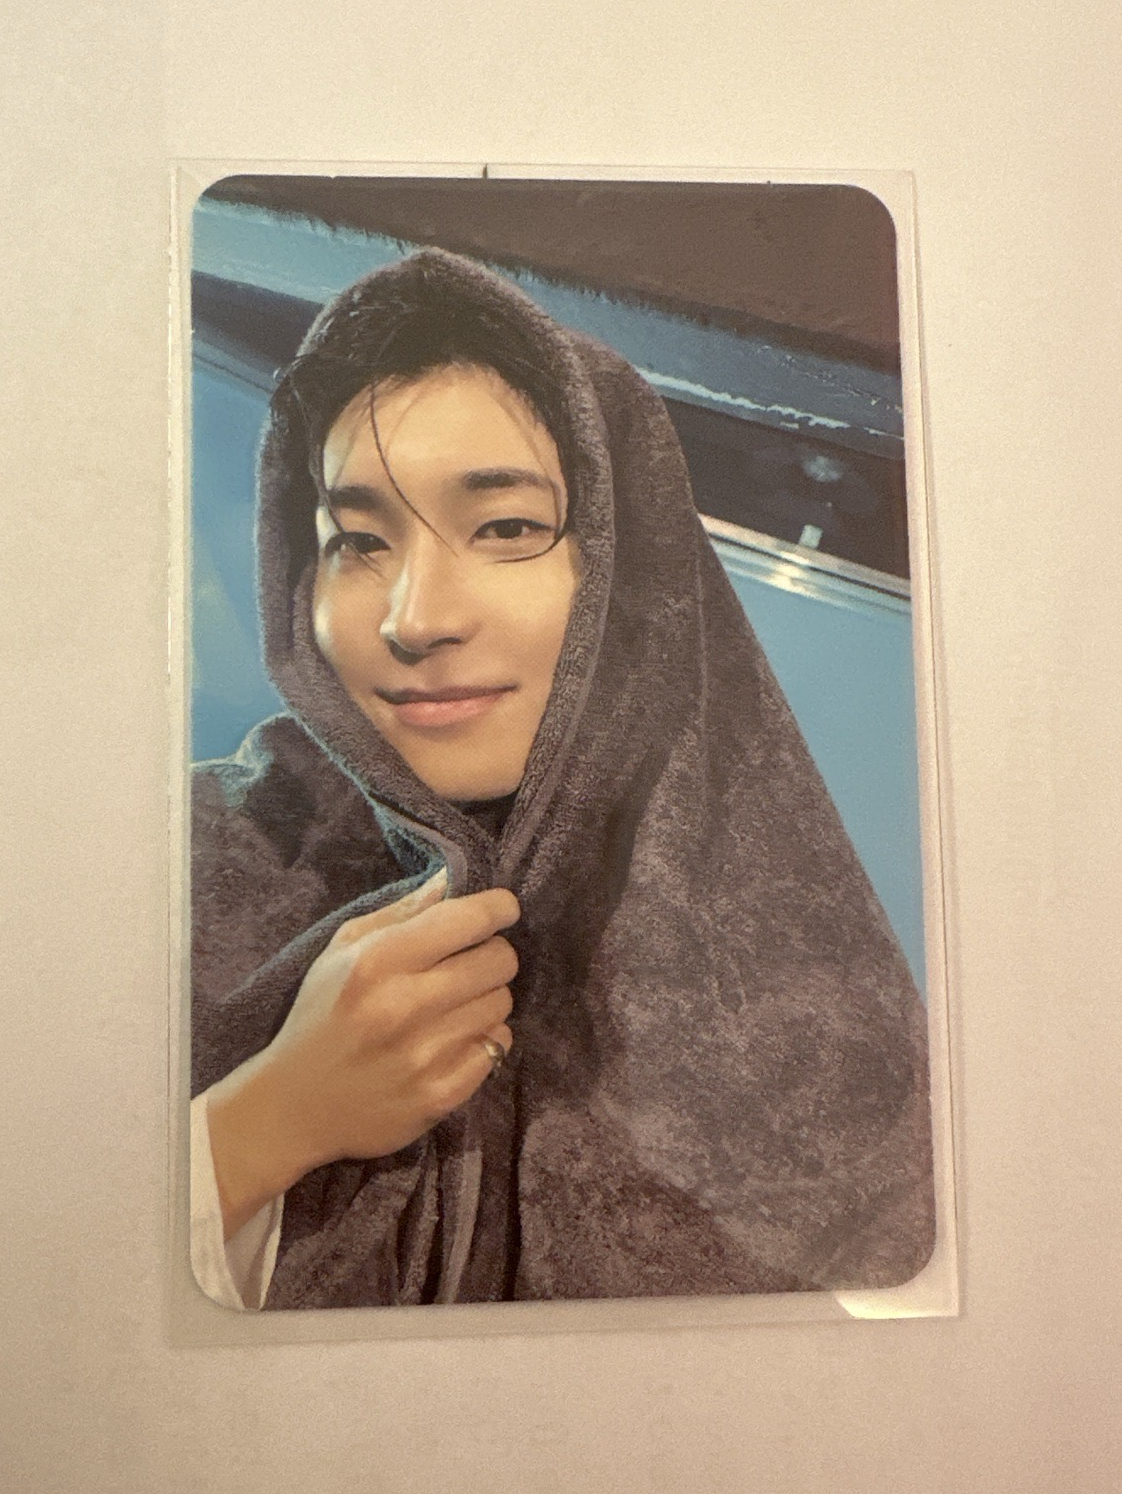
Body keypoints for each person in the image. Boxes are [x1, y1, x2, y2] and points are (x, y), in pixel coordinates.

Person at [190, 247, 936, 1310]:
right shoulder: (175, 870)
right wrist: (266, 1122)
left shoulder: (797, 987)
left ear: (630, 581)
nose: (414, 618)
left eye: (506, 528)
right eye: (357, 541)